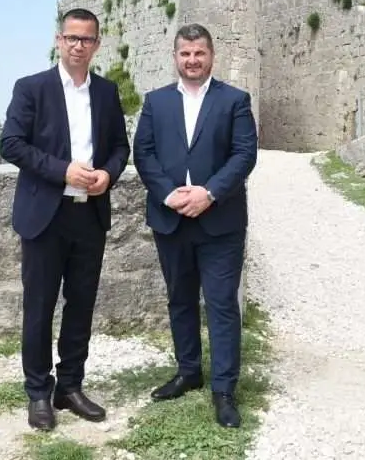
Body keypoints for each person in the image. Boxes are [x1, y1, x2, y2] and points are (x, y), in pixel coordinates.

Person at [0, 7, 131, 431]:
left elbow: (120, 147)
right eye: (71, 38)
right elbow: (11, 144)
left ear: (97, 44)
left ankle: (70, 386)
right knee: (39, 307)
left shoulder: (107, 92)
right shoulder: (31, 88)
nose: (78, 45)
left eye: (86, 39)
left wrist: (108, 174)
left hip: (89, 215)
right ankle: (39, 391)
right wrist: (63, 171)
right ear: (59, 41)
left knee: (81, 305)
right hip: (44, 216)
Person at [132, 23, 258, 428]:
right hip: (170, 219)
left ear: (211, 55)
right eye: (185, 53)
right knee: (180, 299)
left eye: (199, 53)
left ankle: (224, 389)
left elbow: (244, 154)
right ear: (175, 56)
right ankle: (188, 372)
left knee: (221, 305)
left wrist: (210, 193)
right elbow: (143, 153)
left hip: (220, 221)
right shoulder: (155, 102)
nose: (192, 60)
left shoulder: (234, 100)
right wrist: (169, 195)